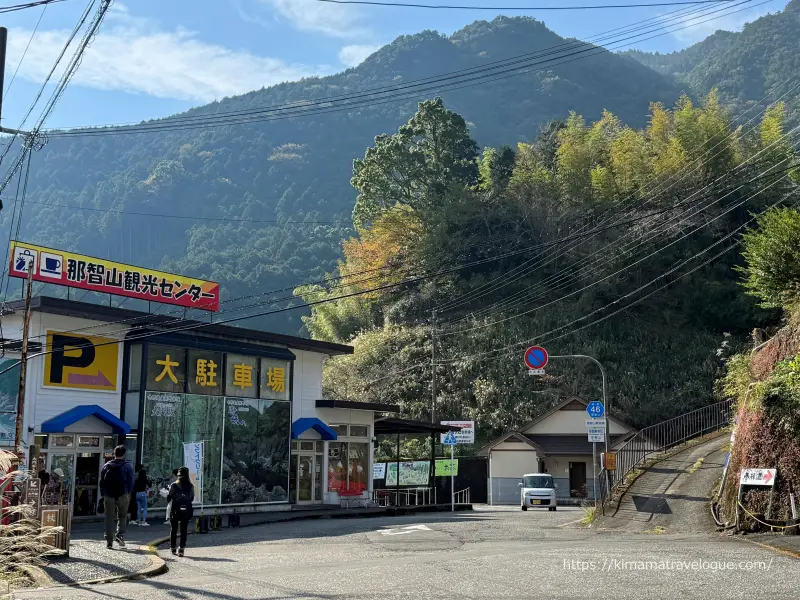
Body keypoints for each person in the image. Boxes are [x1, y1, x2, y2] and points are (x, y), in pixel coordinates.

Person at [99, 445, 134, 549]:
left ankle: (109, 541)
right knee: (122, 516)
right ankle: (120, 535)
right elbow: (131, 481)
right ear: (124, 454)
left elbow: (101, 481)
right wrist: (128, 492)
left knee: (109, 517)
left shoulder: (107, 465)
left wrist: (103, 493)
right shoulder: (127, 466)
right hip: (123, 494)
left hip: (108, 495)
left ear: (114, 453)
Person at [167, 466, 194, 557]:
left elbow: (169, 497)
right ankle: (181, 549)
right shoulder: (190, 486)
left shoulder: (174, 485)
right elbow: (191, 498)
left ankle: (173, 548)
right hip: (186, 510)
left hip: (175, 510)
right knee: (184, 530)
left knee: (173, 529)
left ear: (178, 475)